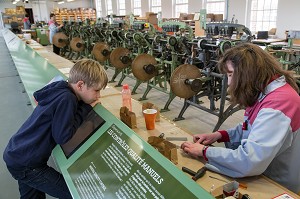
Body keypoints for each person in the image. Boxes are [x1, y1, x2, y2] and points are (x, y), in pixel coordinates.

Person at [181, 43, 300, 194]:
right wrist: (220, 135)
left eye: (230, 74)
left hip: (276, 185)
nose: (229, 82)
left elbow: (249, 160)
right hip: (262, 173)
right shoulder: (265, 91)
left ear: (247, 73)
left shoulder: (279, 103)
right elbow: (251, 127)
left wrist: (204, 152)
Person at [3, 59, 108, 199]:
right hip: (28, 164)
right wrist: (86, 108)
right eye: (96, 90)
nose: (98, 96)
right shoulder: (67, 99)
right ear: (80, 85)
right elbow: (63, 136)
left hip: (17, 153)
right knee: (73, 194)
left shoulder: (60, 88)